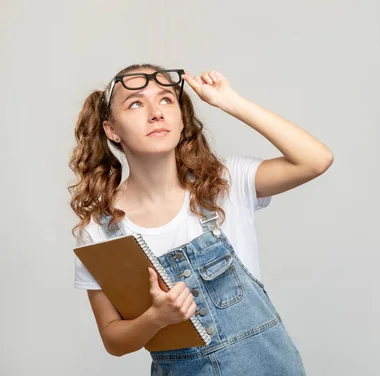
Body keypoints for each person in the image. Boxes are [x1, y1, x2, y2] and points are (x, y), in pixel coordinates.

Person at [69, 64, 333, 375]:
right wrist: (155, 318)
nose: (156, 113)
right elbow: (114, 339)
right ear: (112, 130)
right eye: (136, 104)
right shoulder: (100, 230)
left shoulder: (226, 183)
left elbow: (316, 160)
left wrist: (230, 102)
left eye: (167, 100)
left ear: (182, 119)